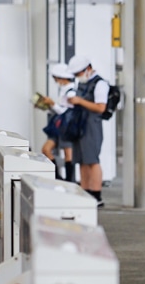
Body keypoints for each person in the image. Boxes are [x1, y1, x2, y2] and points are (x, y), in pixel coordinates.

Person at [64, 54, 109, 207]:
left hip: (92, 125)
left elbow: (101, 107)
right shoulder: (83, 83)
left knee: (92, 160)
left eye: (79, 73)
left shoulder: (100, 84)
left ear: (88, 69)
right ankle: (85, 191)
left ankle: (96, 195)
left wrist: (80, 101)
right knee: (82, 160)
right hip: (80, 125)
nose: (78, 77)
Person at [39, 62, 77, 180]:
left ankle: (69, 180)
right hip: (59, 127)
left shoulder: (71, 91)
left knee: (68, 154)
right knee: (46, 149)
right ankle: (58, 177)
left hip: (67, 127)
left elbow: (65, 112)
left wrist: (52, 103)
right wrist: (49, 105)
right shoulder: (65, 90)